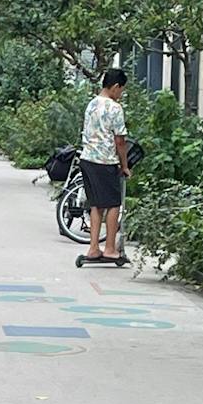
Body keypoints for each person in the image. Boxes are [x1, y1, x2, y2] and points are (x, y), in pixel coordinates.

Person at [80, 67, 131, 266]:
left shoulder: (91, 104)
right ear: (116, 86)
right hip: (105, 161)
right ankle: (109, 248)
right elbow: (120, 141)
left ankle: (93, 247)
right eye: (122, 90)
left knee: (96, 204)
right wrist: (124, 165)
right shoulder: (114, 108)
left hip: (87, 159)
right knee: (113, 204)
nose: (121, 94)